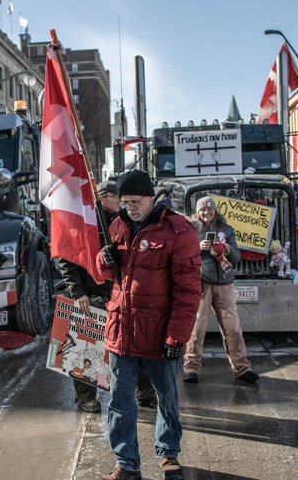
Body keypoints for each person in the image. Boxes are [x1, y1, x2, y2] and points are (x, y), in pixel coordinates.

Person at [96, 170, 202, 480]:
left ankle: (168, 452)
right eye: (125, 202)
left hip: (159, 333)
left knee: (166, 396)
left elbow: (188, 291)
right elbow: (106, 277)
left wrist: (176, 337)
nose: (130, 207)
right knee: (118, 399)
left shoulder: (178, 231)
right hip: (121, 330)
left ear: (151, 197)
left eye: (136, 201)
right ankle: (126, 463)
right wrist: (104, 260)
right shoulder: (117, 226)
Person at [60, 180, 155, 413]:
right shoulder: (84, 223)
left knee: (132, 344)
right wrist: (78, 292)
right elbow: (67, 261)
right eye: (117, 198)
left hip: (119, 292)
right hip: (90, 294)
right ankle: (85, 397)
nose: (122, 203)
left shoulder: (123, 221)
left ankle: (145, 391)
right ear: (103, 197)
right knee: (85, 347)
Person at [182, 196, 259, 385]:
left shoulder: (227, 230)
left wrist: (227, 248)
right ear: (197, 212)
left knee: (232, 328)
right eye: (202, 210)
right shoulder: (191, 230)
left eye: (209, 210)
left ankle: (242, 368)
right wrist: (197, 248)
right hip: (201, 283)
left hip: (225, 283)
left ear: (215, 211)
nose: (206, 213)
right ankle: (191, 368)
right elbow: (183, 255)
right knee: (197, 328)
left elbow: (236, 256)